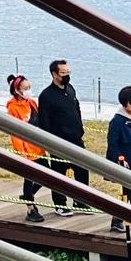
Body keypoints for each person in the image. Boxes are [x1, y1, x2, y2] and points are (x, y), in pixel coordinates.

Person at [35, 58, 90, 214]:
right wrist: (49, 142)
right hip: (58, 141)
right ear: (54, 74)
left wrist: (80, 129)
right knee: (59, 173)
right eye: (63, 73)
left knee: (82, 170)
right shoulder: (46, 95)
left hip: (76, 138)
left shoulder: (70, 88)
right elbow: (44, 122)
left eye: (68, 72)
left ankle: (81, 202)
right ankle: (60, 204)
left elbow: (76, 108)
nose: (66, 75)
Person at [5, 73, 48, 222]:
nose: (28, 90)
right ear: (17, 90)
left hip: (38, 148)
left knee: (46, 176)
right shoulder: (13, 108)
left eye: (29, 87)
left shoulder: (32, 103)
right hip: (26, 150)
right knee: (29, 179)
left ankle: (28, 196)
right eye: (25, 88)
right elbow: (15, 134)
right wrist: (21, 153)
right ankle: (30, 209)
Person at [105, 85, 131, 232]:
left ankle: (117, 218)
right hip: (124, 161)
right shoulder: (117, 121)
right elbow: (112, 143)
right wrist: (120, 158)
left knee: (127, 191)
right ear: (124, 103)